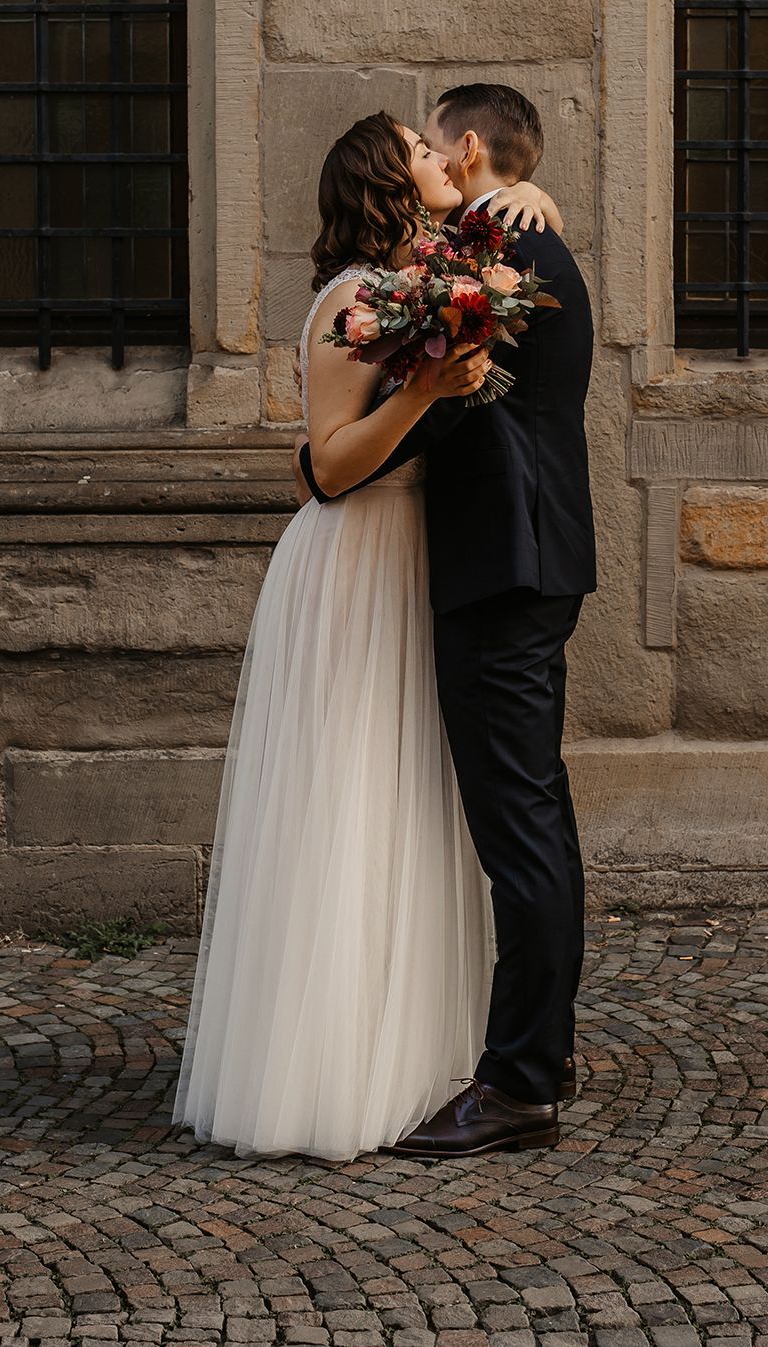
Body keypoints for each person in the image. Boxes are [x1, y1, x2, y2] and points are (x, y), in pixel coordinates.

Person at [171, 109, 560, 1163]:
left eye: (445, 147)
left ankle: (399, 1053)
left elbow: (505, 241)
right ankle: (324, 1072)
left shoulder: (418, 281)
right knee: (346, 800)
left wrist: (536, 201)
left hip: (406, 558)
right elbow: (333, 463)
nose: (443, 158)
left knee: (395, 804)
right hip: (354, 558)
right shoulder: (354, 297)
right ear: (388, 180)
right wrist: (428, 389)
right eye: (421, 152)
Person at [299, 83, 597, 1159]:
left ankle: (516, 1086)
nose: (426, 157)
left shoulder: (491, 248)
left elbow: (446, 385)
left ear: (467, 154)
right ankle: (543, 1046)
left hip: (499, 566)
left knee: (517, 831)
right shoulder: (514, 240)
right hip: (536, 557)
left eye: (433, 144)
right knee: (538, 818)